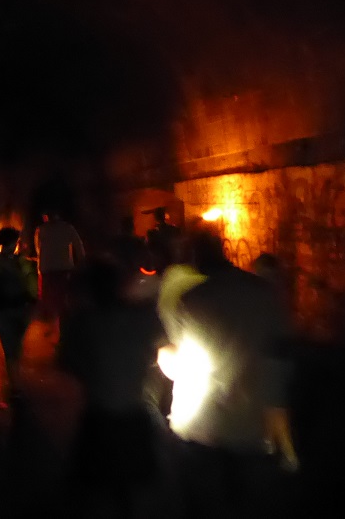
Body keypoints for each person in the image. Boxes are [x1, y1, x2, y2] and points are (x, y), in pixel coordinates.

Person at [162, 230, 298, 518]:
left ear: (194, 258)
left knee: (205, 507)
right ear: (223, 249)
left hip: (203, 425)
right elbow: (280, 360)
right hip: (253, 425)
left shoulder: (191, 300)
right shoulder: (265, 293)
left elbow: (181, 360)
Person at [61, 255, 166, 518]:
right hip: (134, 414)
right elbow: (162, 347)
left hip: (99, 416)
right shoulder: (143, 318)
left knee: (97, 492)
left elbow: (69, 365)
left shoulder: (82, 323)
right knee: (132, 491)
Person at [0, 227, 39, 400]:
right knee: (16, 346)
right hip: (21, 308)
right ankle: (15, 383)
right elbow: (32, 286)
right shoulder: (22, 262)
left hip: (0, 309)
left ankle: (15, 383)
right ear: (15, 243)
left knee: (9, 346)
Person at [33, 209, 85, 334]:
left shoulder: (41, 230)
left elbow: (38, 249)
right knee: (64, 301)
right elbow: (79, 247)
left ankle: (50, 329)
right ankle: (63, 330)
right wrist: (82, 264)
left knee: (48, 301)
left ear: (46, 217)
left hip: (47, 270)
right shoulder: (68, 228)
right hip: (64, 269)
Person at [145, 207, 182, 272]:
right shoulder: (174, 229)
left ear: (155, 218)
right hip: (173, 262)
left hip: (160, 263)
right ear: (164, 216)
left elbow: (150, 248)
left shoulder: (152, 233)